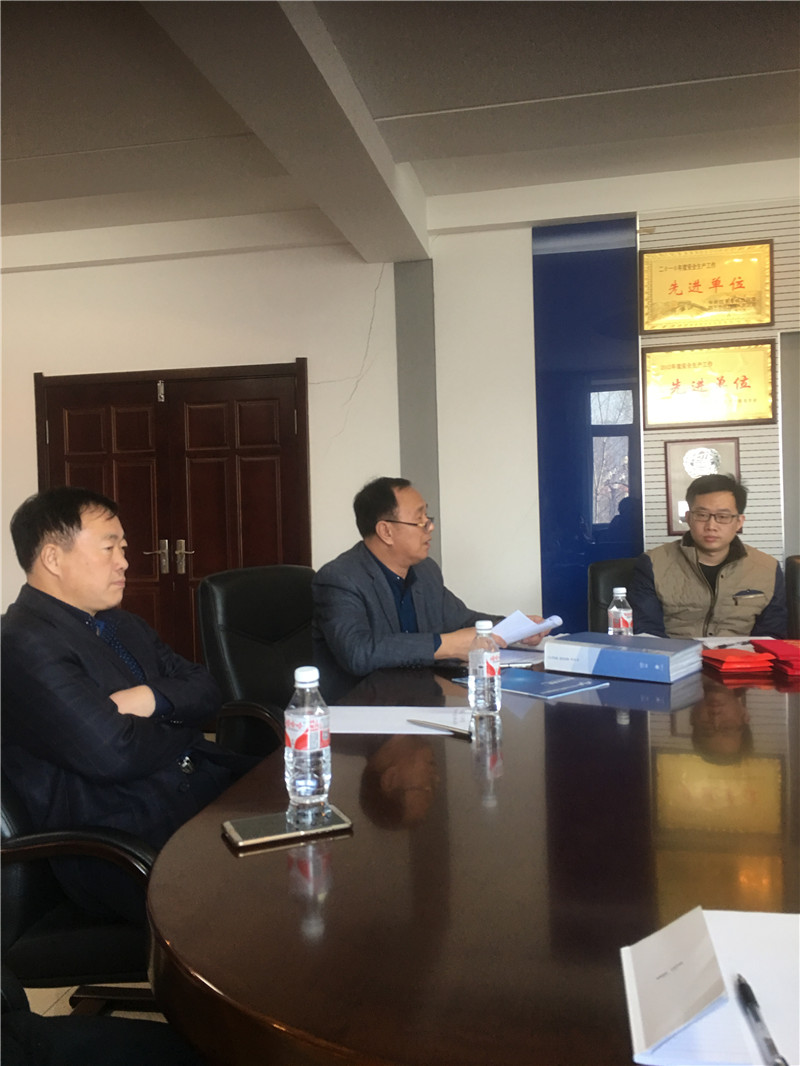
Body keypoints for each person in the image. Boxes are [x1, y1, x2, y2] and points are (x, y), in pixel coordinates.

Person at [1, 487, 256, 921]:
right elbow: (114, 752)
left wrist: (150, 698)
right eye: (109, 548)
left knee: (316, 828)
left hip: (192, 798)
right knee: (284, 892)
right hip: (124, 844)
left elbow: (207, 688)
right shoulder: (23, 644)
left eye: (123, 548)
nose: (124, 561)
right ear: (53, 559)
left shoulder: (123, 624)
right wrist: (180, 724)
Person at [312, 476, 547, 698]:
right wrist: (445, 645)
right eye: (420, 520)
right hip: (363, 709)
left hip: (422, 701)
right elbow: (358, 652)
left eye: (428, 517)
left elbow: (461, 620)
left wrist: (514, 629)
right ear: (386, 531)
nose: (430, 527)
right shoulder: (340, 578)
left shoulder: (425, 571)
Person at [628, 474, 787, 638]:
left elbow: (772, 636)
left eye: (723, 517)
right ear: (688, 518)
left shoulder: (767, 569)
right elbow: (647, 632)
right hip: (675, 653)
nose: (711, 526)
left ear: (739, 522)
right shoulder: (653, 564)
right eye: (702, 515)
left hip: (743, 654)